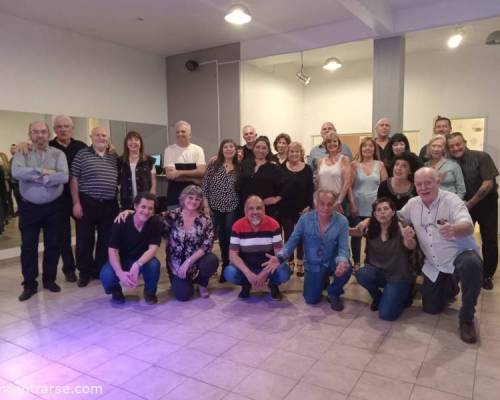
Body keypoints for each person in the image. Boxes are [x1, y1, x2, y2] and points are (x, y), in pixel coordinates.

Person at [398, 167, 483, 343]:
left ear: (437, 182)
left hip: (460, 256)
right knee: (430, 308)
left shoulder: (451, 200)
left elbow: (467, 225)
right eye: (419, 184)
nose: (423, 187)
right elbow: (397, 217)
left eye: (428, 183)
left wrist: (454, 229)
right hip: (435, 264)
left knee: (472, 264)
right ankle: (451, 284)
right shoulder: (413, 203)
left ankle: (467, 318)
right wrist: (402, 230)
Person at [264, 190, 351, 310]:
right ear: (315, 203)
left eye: (330, 204)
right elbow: (292, 241)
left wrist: (342, 262)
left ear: (335, 204)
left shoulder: (342, 221)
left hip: (332, 260)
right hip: (313, 264)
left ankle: (334, 292)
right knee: (311, 299)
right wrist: (280, 257)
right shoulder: (305, 219)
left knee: (347, 266)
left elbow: (343, 248)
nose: (326, 208)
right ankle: (323, 280)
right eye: (322, 203)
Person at [11, 121, 69, 301]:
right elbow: (17, 173)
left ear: (48, 134)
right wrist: (44, 172)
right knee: (28, 247)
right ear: (30, 134)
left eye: (43, 132)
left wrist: (35, 177)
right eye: (35, 132)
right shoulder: (22, 152)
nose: (40, 135)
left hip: (54, 208)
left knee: (53, 245)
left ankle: (49, 279)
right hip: (29, 208)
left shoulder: (58, 153)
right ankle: (29, 284)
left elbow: (64, 176)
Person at [447, 132, 499, 290]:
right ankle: (462, 271)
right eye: (452, 146)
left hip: (486, 204)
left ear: (465, 142)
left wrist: (470, 203)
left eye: (458, 144)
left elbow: (488, 184)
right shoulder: (449, 163)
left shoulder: (482, 157)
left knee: (489, 239)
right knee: (460, 239)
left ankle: (487, 275)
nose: (456, 148)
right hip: (463, 204)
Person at [71, 126, 119, 287]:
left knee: (106, 239)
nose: (101, 138)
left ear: (108, 138)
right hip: (87, 202)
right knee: (85, 239)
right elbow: (74, 179)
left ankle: (99, 269)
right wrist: (76, 203)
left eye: (104, 135)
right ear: (91, 137)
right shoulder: (82, 154)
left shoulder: (113, 156)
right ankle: (84, 272)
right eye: (97, 135)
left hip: (109, 204)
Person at [352, 198, 416, 320]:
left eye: (386, 209)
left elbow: (411, 245)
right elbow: (353, 232)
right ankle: (379, 297)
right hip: (380, 273)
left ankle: (405, 294)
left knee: (386, 315)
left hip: (398, 276)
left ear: (393, 212)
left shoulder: (401, 228)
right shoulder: (370, 229)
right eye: (378, 210)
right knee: (362, 274)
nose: (382, 212)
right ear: (374, 214)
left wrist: (408, 238)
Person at [225, 196, 290, 300]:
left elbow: (279, 253)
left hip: (268, 266)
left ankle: (273, 285)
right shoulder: (237, 226)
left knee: (284, 272)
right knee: (230, 272)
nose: (255, 212)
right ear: (245, 211)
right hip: (247, 266)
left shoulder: (274, 225)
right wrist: (248, 273)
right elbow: (232, 255)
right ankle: (246, 284)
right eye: (251, 208)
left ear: (264, 210)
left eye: (259, 208)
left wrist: (264, 274)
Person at [100, 192, 162, 304]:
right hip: (122, 259)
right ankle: (116, 291)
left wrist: (138, 264)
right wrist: (119, 272)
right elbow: (113, 251)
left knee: (154, 265)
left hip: (142, 259)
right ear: (135, 206)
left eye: (150, 208)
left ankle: (150, 292)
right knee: (106, 275)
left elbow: (153, 249)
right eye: (143, 207)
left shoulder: (155, 222)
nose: (147, 211)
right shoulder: (121, 221)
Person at [49, 115, 87, 282]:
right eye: (59, 126)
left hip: (80, 196)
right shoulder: (48, 147)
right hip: (58, 198)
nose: (63, 129)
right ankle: (69, 269)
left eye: (66, 126)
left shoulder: (82, 146)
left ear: (72, 129)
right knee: (62, 236)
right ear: (54, 129)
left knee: (83, 234)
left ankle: (84, 267)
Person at [164, 185, 218, 301]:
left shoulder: (206, 219)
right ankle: (181, 280)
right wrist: (129, 212)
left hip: (195, 260)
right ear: (183, 198)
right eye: (190, 197)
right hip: (177, 264)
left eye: (197, 199)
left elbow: (208, 244)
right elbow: (151, 221)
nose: (193, 201)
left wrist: (189, 261)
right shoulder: (172, 215)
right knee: (183, 295)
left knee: (211, 260)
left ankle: (202, 284)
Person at [202, 139, 240, 282]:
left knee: (227, 238)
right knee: (209, 238)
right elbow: (205, 185)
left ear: (235, 150)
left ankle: (226, 266)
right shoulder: (213, 164)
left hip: (232, 208)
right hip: (214, 208)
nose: (229, 149)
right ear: (221, 149)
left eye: (231, 147)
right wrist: (206, 205)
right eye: (226, 147)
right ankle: (206, 268)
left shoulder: (239, 167)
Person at [350, 137, 388, 269]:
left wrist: (382, 207)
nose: (367, 148)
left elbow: (385, 186)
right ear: (361, 149)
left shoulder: (380, 164)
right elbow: (349, 186)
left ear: (374, 149)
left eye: (370, 146)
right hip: (357, 206)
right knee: (356, 236)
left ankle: (369, 262)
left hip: (374, 208)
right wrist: (352, 204)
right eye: (364, 146)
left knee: (372, 237)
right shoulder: (354, 164)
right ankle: (356, 263)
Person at [279, 142, 314, 276]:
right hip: (285, 209)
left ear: (301, 153)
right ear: (287, 153)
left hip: (303, 209)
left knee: (301, 237)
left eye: (297, 151)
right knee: (288, 236)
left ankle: (300, 262)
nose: (294, 154)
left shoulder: (307, 169)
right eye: (291, 151)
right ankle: (290, 261)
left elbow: (311, 189)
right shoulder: (281, 168)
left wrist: (309, 206)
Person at [238, 136, 282, 221]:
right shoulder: (245, 164)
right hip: (246, 207)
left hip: (266, 209)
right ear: (253, 149)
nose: (260, 150)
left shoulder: (274, 167)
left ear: (268, 150)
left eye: (264, 148)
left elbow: (283, 187)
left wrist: (276, 199)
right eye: (257, 147)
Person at [164, 120, 206, 209]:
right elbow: (170, 175)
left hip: (195, 199)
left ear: (190, 134)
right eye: (177, 132)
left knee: (195, 223)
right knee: (174, 223)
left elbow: (202, 172)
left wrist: (178, 173)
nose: (180, 134)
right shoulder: (169, 150)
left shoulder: (198, 150)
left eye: (183, 131)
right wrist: (193, 178)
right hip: (175, 198)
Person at [118, 131, 156, 210]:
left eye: (136, 140)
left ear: (141, 143)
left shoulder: (149, 160)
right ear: (126, 143)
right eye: (130, 140)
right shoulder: (120, 161)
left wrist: (151, 200)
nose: (133, 142)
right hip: (126, 202)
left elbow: (153, 184)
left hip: (145, 202)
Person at [316, 133, 354, 214]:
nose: (332, 144)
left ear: (339, 143)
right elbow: (318, 183)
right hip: (323, 201)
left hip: (338, 200)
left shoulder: (344, 159)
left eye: (335, 141)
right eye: (329, 142)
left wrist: (339, 201)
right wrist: (317, 200)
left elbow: (347, 182)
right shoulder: (320, 161)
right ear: (325, 145)